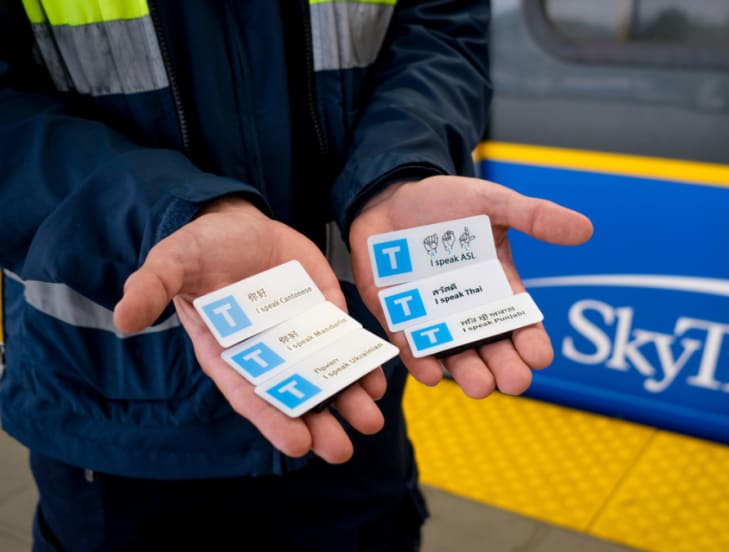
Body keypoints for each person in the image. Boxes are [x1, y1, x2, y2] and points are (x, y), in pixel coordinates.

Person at [0, 0, 593, 550]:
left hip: (357, 381)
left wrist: (402, 166)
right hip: (108, 418)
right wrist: (167, 210)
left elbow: (440, 25)